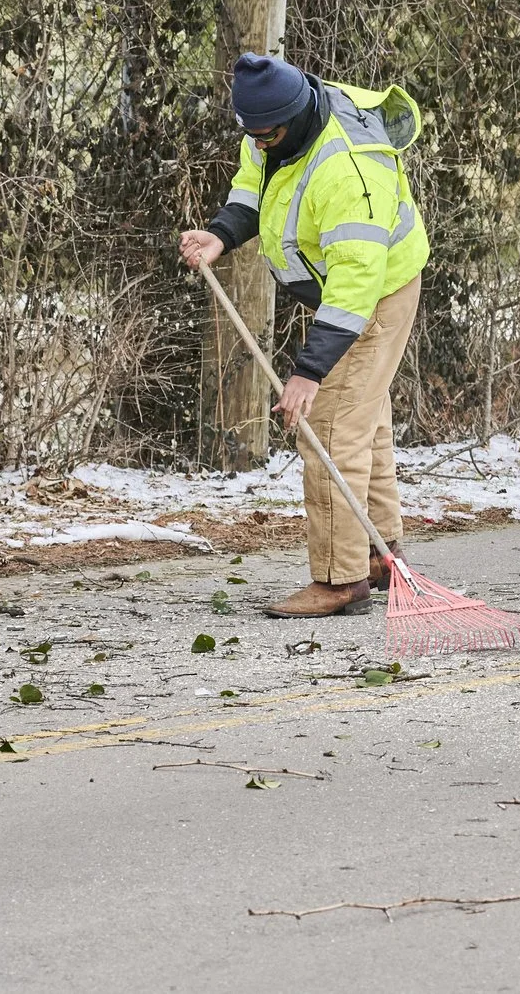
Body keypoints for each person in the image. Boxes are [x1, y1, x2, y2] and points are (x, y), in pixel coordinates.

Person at [179, 52, 430, 618]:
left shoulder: (348, 171)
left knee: (332, 429)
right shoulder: (271, 127)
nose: (258, 143)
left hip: (377, 291)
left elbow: (355, 282)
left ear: (293, 117)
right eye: (252, 135)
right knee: (364, 423)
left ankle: (340, 579)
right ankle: (378, 555)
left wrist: (308, 372)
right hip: (348, 289)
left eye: (267, 135)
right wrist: (221, 235)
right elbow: (254, 187)